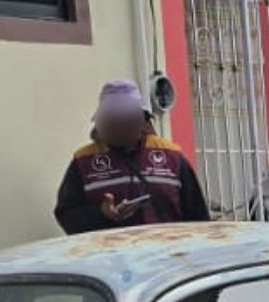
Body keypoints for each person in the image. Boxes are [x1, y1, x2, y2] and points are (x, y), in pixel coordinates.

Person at [54, 79, 209, 234]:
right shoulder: (84, 161)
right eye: (113, 121)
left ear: (142, 121)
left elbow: (199, 217)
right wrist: (101, 214)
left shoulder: (171, 156)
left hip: (167, 252)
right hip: (108, 255)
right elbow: (66, 214)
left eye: (126, 120)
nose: (119, 128)